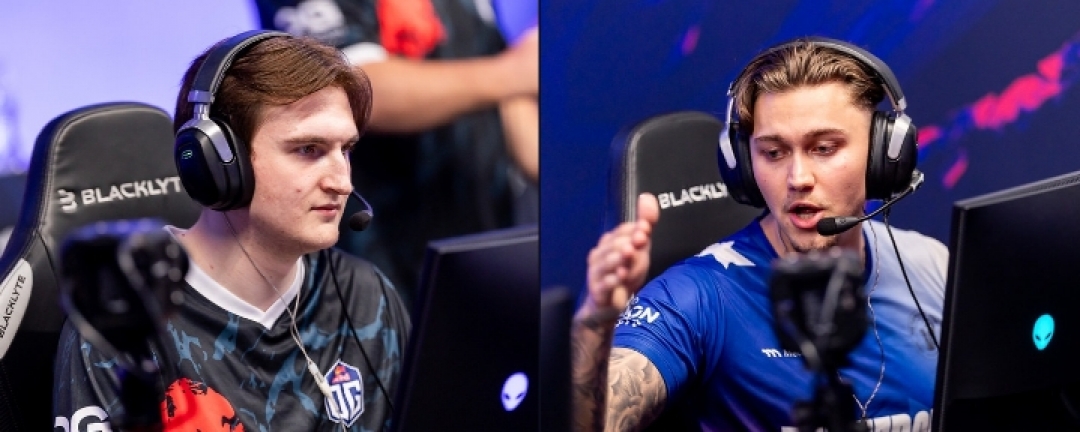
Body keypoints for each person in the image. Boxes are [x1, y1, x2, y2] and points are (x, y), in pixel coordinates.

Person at [571, 37, 949, 431]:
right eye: (773, 153)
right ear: (744, 167)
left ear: (882, 155)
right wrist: (595, 321)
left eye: (823, 148)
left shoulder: (932, 266)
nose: (798, 178)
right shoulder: (698, 296)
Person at [52, 31, 410, 431]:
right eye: (308, 150)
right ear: (218, 163)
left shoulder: (366, 295)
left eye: (345, 150)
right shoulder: (124, 327)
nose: (342, 183)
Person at [254, 0, 539, 306]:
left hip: (484, 248)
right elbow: (349, 89)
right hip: (374, 262)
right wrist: (512, 72)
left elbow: (506, 88)